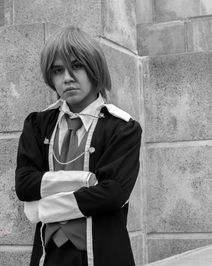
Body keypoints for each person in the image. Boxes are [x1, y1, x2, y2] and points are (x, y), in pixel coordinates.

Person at [15, 25, 142, 266]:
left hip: (103, 254)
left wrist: (41, 209)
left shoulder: (122, 128)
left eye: (76, 66)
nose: (67, 78)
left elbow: (113, 194)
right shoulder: (38, 124)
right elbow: (24, 186)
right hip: (49, 255)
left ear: (95, 68)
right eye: (58, 70)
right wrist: (87, 181)